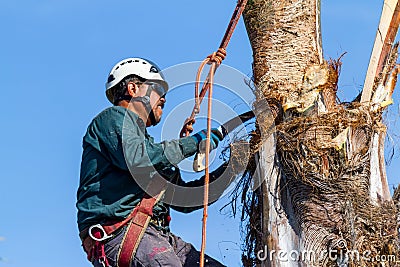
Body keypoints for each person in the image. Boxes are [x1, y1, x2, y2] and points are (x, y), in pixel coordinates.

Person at [76, 57, 231, 267]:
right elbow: (139, 159)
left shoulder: (146, 147)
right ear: (132, 88)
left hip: (153, 234)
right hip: (120, 233)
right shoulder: (114, 118)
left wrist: (230, 170)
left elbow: (184, 200)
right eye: (157, 89)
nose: (164, 98)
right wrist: (192, 143)